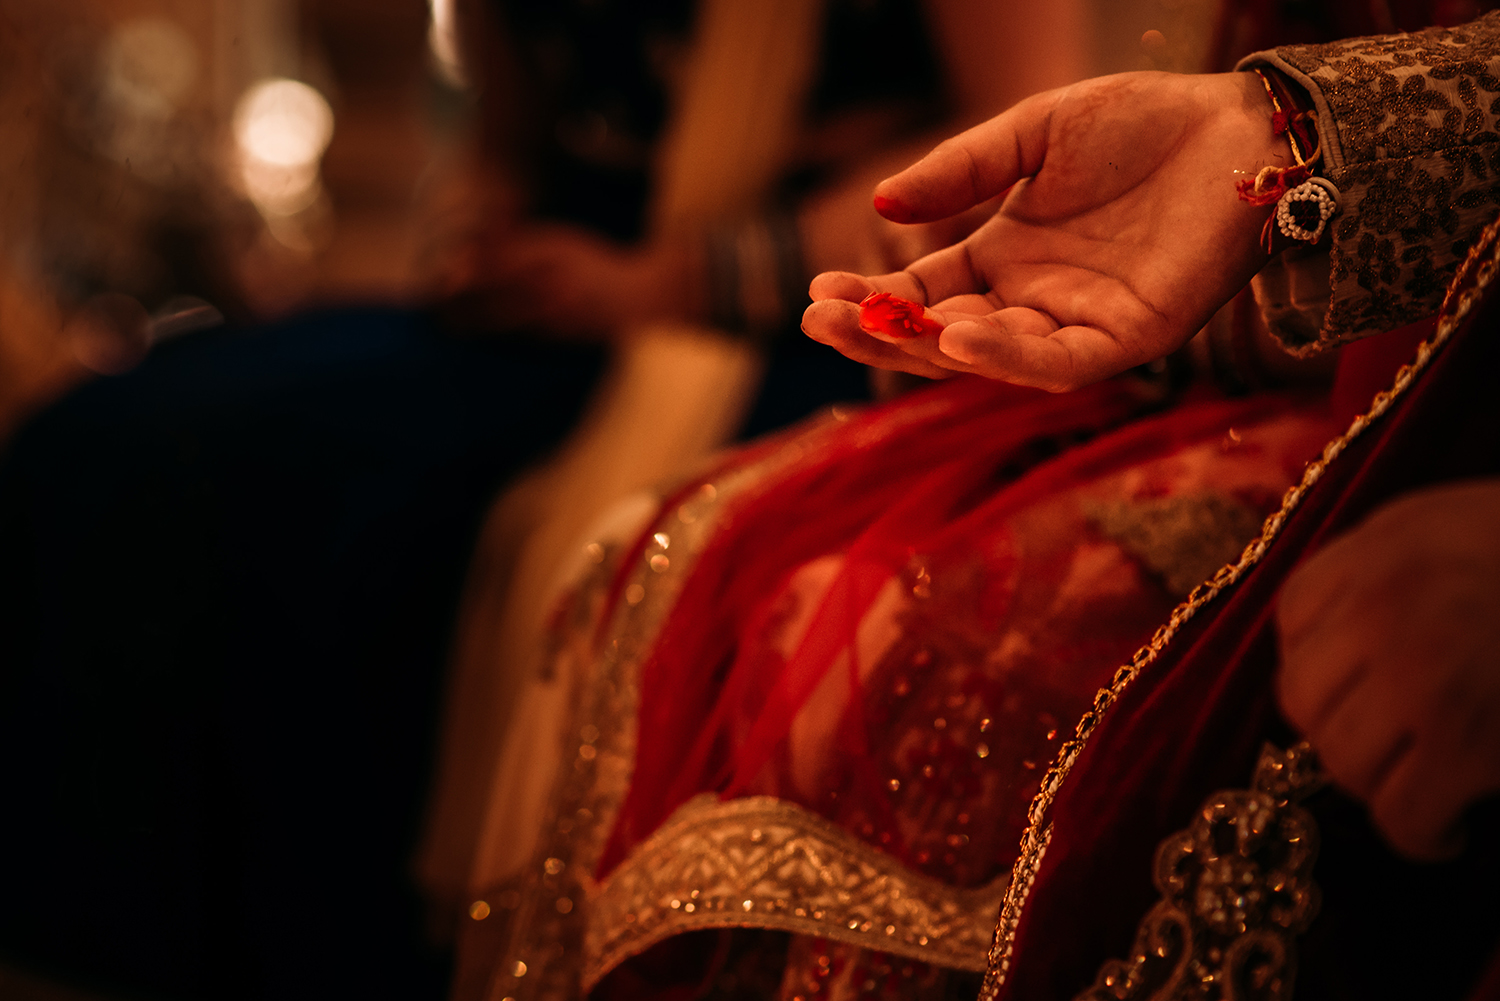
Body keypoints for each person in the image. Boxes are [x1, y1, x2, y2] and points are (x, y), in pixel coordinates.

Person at [456, 6, 1500, 1001]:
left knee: (901, 644)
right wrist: (1263, 141)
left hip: (1435, 407)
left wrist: (668, 283)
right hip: (1264, 313)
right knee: (669, 545)